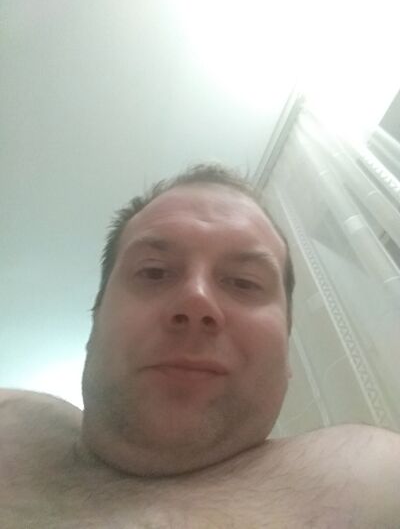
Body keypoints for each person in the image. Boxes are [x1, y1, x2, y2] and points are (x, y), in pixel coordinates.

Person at [1, 163, 399, 528]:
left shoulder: (373, 481)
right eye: (154, 272)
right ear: (95, 322)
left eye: (244, 282)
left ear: (287, 350)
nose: (196, 301)